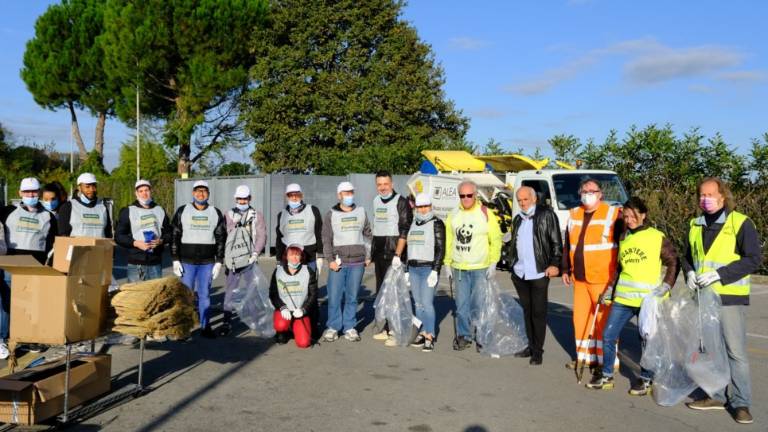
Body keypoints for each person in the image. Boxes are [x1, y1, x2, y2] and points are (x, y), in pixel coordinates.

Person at [682, 178, 761, 425]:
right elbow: (687, 257)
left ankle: (740, 402)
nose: (705, 199)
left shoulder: (740, 223)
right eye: (701, 195)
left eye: (710, 194)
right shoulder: (695, 225)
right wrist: (690, 273)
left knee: (735, 352)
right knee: (711, 351)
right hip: (704, 298)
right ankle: (715, 394)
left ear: (722, 196)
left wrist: (720, 274)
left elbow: (753, 259)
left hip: (728, 297)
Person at [586, 197, 678, 392]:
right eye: (626, 216)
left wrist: (667, 285)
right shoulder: (624, 237)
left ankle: (646, 378)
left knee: (647, 340)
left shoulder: (656, 236)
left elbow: (673, 261)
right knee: (608, 335)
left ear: (643, 215)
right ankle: (607, 375)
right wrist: (610, 289)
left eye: (632, 216)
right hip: (623, 299)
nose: (629, 220)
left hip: (647, 301)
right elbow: (620, 268)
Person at [561, 178, 621, 375]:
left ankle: (605, 360)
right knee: (580, 319)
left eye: (592, 190)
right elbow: (567, 245)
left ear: (600, 194)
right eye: (584, 190)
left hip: (602, 277)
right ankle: (585, 357)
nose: (588, 194)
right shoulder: (574, 214)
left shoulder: (613, 214)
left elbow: (622, 245)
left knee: (603, 321)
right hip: (579, 277)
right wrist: (565, 268)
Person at [0, 178, 57, 359]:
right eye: (27, 192)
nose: (30, 195)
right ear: (20, 193)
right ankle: (4, 339)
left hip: (35, 268)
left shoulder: (48, 216)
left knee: (31, 306)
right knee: (8, 305)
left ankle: (31, 338)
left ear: (39, 193)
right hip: (11, 266)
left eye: (34, 192)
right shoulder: (7, 212)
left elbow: (52, 244)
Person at [444, 180, 502, 350]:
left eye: (469, 195)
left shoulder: (485, 213)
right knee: (461, 307)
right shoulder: (453, 215)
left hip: (480, 268)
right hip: (460, 268)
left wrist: (493, 262)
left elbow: (496, 239)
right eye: (462, 195)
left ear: (475, 195)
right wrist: (447, 263)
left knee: (479, 305)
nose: (466, 198)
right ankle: (464, 335)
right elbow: (449, 241)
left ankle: (482, 336)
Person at [507, 186, 562, 365]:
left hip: (539, 272)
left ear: (534, 199)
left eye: (525, 199)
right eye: (520, 200)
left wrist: (555, 264)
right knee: (527, 311)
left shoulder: (547, 215)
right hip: (520, 273)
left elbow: (556, 243)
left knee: (538, 313)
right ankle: (531, 345)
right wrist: (511, 263)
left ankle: (537, 351)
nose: (522, 203)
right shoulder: (518, 219)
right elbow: (514, 243)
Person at [171, 180, 226, 339]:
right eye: (198, 191)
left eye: (204, 191)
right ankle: (184, 328)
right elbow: (175, 235)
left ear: (208, 194)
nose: (201, 194)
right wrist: (175, 258)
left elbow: (221, 237)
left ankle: (205, 326)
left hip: (207, 262)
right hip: (186, 261)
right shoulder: (183, 211)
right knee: (186, 296)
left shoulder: (215, 212)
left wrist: (219, 261)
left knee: (204, 295)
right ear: (193, 193)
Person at [320, 181, 372, 342]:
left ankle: (349, 326)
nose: (348, 195)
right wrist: (330, 260)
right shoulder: (331, 214)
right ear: (339, 195)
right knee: (334, 296)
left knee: (352, 297)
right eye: (345, 193)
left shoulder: (361, 212)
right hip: (338, 263)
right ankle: (333, 327)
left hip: (358, 262)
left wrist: (369, 255)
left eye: (350, 192)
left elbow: (368, 235)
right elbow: (326, 238)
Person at [275, 183, 323, 338]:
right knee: (288, 292)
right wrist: (278, 260)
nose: (294, 197)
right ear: (287, 197)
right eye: (291, 195)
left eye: (297, 194)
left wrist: (320, 256)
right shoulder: (282, 214)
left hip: (308, 258)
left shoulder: (312, 210)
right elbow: (279, 239)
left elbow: (319, 232)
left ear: (301, 195)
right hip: (288, 259)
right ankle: (286, 328)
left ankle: (313, 325)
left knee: (311, 294)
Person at [370, 171, 412, 341]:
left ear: (392, 184)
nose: (382, 188)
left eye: (385, 184)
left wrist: (398, 255)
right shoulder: (375, 201)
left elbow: (404, 230)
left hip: (394, 253)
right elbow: (377, 228)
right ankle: (387, 328)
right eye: (379, 184)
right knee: (382, 291)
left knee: (395, 292)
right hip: (379, 253)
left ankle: (396, 330)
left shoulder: (401, 202)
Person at [221, 185, 266, 336]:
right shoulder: (227, 215)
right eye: (239, 199)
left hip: (250, 260)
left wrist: (255, 253)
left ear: (250, 198)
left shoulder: (256, 215)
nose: (242, 201)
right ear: (235, 199)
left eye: (245, 198)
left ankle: (255, 320)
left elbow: (261, 236)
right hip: (232, 261)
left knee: (252, 290)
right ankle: (227, 321)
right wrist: (224, 258)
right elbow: (223, 237)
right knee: (230, 291)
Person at [405, 193, 445, 352]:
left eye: (425, 206)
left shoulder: (436, 223)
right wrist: (407, 269)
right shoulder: (413, 223)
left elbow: (440, 249)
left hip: (428, 268)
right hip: (414, 268)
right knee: (418, 304)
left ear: (430, 206)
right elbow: (410, 247)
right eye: (420, 206)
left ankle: (430, 335)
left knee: (427, 304)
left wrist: (436, 270)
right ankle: (422, 332)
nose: (422, 210)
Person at [115, 180, 172, 283]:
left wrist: (161, 241)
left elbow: (169, 233)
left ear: (151, 191)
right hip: (136, 262)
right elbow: (119, 236)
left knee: (155, 296)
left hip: (155, 262)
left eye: (146, 190)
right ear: (136, 193)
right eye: (140, 191)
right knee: (136, 296)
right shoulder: (128, 211)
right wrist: (136, 243)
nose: (144, 193)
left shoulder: (160, 210)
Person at [269, 244, 318, 348]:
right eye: (291, 255)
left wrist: (304, 310)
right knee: (280, 325)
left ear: (301, 256)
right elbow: (273, 293)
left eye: (297, 255)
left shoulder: (308, 271)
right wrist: (282, 307)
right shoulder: (278, 271)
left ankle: (294, 326)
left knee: (304, 343)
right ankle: (282, 332)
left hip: (300, 311)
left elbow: (313, 295)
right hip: (284, 310)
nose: (294, 258)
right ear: (286, 256)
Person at [58, 172, 112, 238]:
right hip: (77, 248)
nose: (91, 190)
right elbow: (63, 235)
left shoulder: (103, 207)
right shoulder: (68, 207)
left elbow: (108, 234)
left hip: (99, 248)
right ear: (79, 188)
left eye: (94, 186)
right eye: (87, 186)